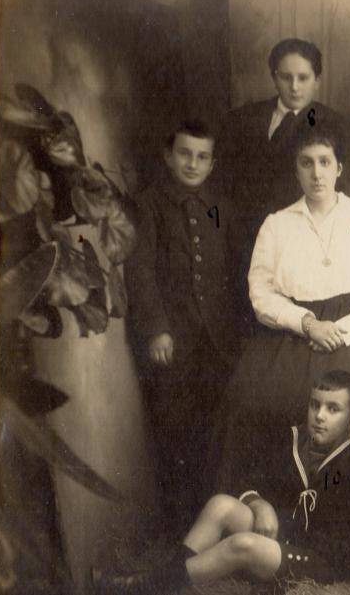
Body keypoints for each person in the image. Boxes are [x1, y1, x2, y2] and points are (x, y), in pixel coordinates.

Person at [212, 124, 350, 492]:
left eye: (325, 162)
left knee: (344, 406)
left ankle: (330, 505)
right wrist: (308, 324)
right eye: (306, 163)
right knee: (248, 399)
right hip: (291, 332)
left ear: (339, 168)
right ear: (295, 170)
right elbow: (261, 292)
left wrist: (342, 331)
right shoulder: (277, 224)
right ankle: (258, 499)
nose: (317, 173)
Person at [94, 371, 350, 595]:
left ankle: (143, 586)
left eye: (333, 409)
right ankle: (167, 578)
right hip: (290, 534)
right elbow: (250, 479)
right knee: (221, 505)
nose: (319, 416)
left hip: (325, 560)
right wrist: (259, 505)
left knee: (242, 544)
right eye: (315, 405)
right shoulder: (295, 440)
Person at [125, 119, 242, 528]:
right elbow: (140, 270)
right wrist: (156, 328)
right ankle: (178, 525)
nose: (193, 164)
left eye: (202, 157)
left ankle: (213, 519)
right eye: (185, 154)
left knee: (215, 430)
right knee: (175, 429)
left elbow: (234, 272)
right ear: (168, 156)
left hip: (218, 342)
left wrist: (236, 333)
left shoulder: (221, 207)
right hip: (174, 341)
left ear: (212, 163)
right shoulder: (149, 204)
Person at [216, 38, 350, 315]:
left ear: (317, 80)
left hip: (299, 245)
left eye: (303, 78)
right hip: (244, 238)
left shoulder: (333, 124)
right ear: (274, 77)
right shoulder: (243, 119)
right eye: (286, 77)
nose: (295, 87)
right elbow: (223, 181)